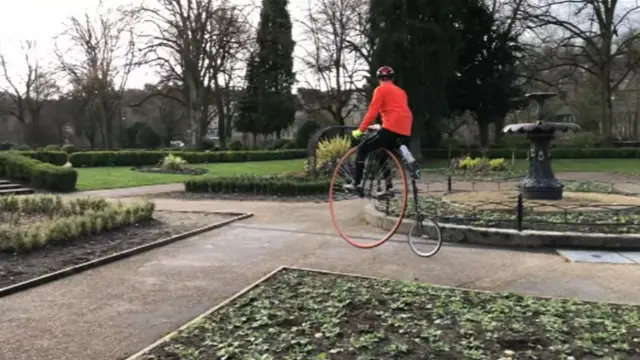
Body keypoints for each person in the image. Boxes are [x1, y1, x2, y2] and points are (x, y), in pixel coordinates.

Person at [344, 65, 413, 197]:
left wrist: (360, 130)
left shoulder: (380, 90)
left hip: (390, 129)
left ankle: (356, 184)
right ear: (392, 78)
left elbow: (372, 112)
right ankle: (388, 188)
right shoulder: (401, 92)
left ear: (379, 79)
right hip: (405, 132)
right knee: (382, 155)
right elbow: (398, 112)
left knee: (362, 149)